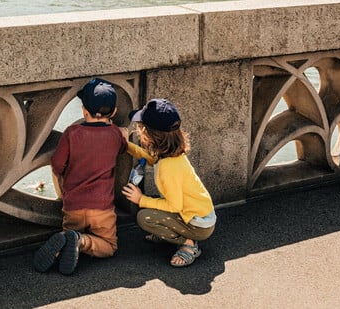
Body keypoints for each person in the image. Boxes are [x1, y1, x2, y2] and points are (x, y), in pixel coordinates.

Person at [33, 77, 140, 275]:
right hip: (102, 208)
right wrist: (123, 134)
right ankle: (81, 241)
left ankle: (67, 240)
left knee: (68, 235)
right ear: (114, 112)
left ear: (84, 110)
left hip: (73, 205)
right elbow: (123, 148)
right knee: (108, 246)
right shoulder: (115, 135)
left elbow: (57, 164)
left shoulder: (71, 133)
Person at [121, 98, 216, 267]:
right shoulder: (172, 154)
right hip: (198, 214)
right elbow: (150, 158)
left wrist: (140, 199)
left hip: (198, 225)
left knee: (144, 217)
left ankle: (189, 244)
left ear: (149, 135)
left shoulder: (168, 168)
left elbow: (174, 206)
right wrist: (126, 145)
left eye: (141, 128)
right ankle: (171, 230)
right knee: (151, 207)